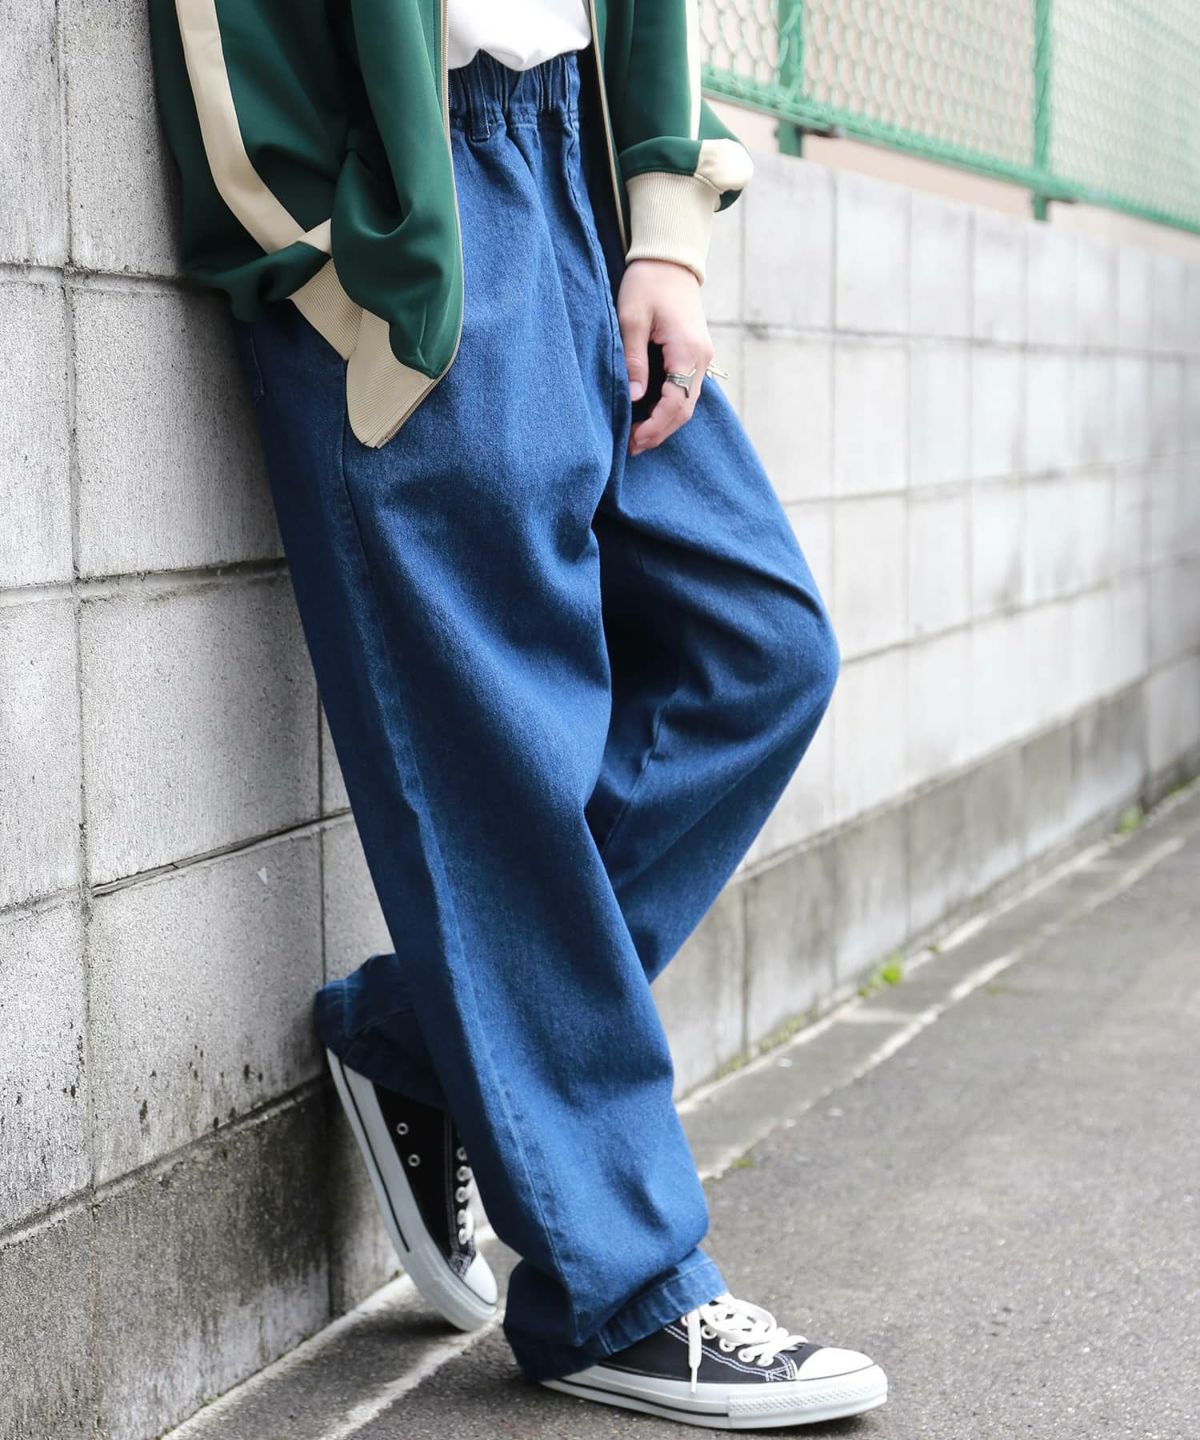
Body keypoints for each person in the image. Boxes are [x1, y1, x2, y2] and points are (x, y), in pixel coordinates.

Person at [148, 0, 885, 1427]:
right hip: (405, 198)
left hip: (579, 164)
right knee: (502, 770)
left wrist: (665, 229)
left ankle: (422, 1037)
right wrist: (335, 272)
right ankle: (622, 1293)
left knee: (762, 651)